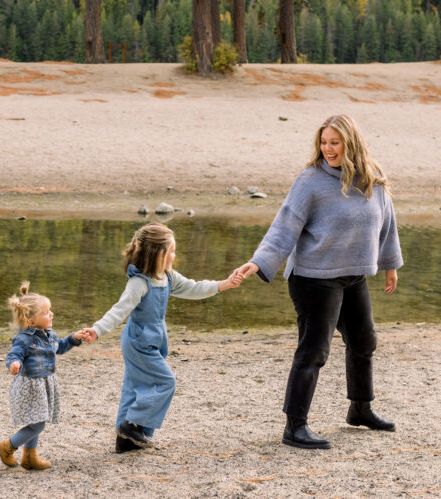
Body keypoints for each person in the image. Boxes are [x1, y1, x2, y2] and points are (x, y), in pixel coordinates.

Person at [233, 114, 402, 450]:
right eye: (324, 143)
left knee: (364, 341)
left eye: (334, 143)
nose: (328, 149)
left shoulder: (372, 178)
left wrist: (390, 265)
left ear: (350, 144)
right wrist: (259, 261)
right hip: (314, 278)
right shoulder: (310, 182)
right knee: (314, 351)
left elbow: (386, 223)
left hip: (352, 275)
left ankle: (360, 409)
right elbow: (284, 227)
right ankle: (294, 427)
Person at [78, 222, 242, 453]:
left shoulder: (167, 277)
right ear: (158, 253)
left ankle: (127, 440)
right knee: (165, 382)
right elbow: (119, 310)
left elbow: (194, 288)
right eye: (172, 251)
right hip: (137, 341)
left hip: (153, 339)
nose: (175, 255)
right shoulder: (139, 282)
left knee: (135, 386)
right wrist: (98, 329)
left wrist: (224, 285)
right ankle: (132, 425)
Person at [0, 281, 92, 470]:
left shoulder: (49, 334)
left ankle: (30, 457)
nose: (51, 314)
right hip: (30, 386)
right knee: (37, 425)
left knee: (37, 419)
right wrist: (14, 364)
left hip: (44, 383)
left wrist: (74, 338)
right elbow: (14, 355)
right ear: (31, 320)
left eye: (50, 311)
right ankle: (7, 447)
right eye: (46, 313)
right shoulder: (23, 339)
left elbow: (60, 347)